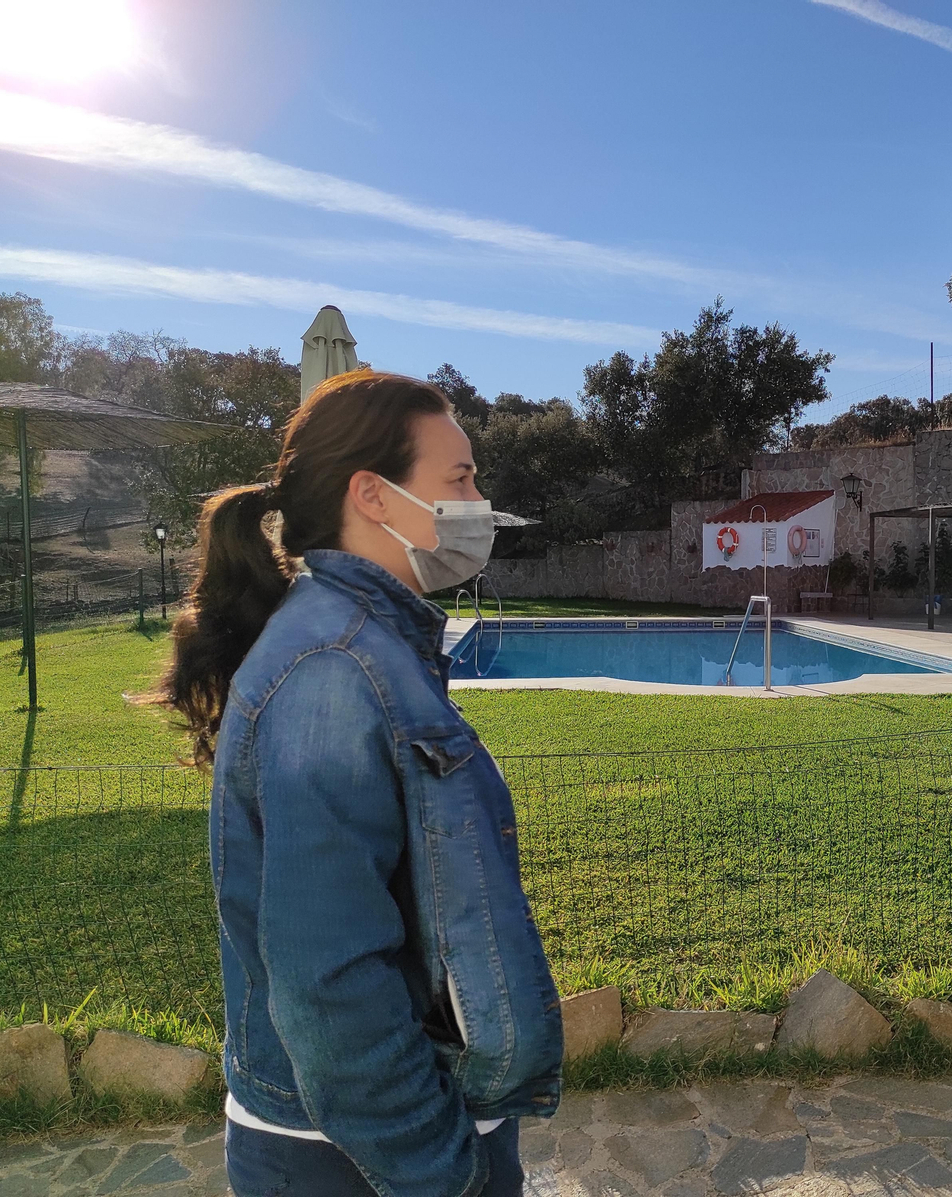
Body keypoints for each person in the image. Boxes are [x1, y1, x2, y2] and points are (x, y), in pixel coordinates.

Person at [158, 372, 562, 1197]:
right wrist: (445, 1171)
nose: (478, 501)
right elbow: (327, 980)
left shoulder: (366, 644)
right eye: (460, 480)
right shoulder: (333, 668)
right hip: (355, 1156)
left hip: (378, 1136)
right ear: (373, 496)